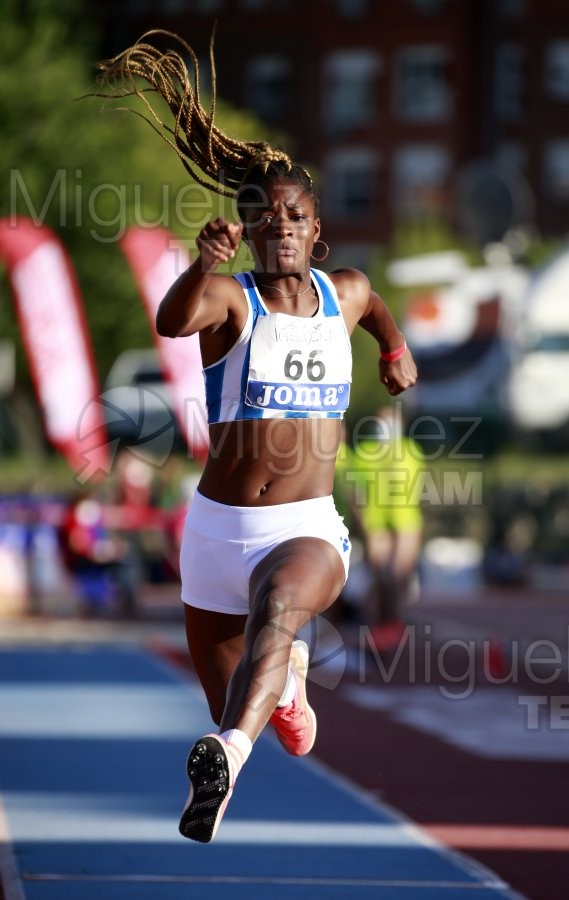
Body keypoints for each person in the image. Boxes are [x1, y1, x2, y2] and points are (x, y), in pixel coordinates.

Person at [97, 30, 417, 844]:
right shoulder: (230, 301)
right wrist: (199, 266)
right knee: (240, 682)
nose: (277, 225)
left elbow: (376, 305)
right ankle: (282, 688)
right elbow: (173, 321)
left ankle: (225, 759)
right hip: (213, 528)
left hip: (305, 526)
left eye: (294, 216)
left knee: (276, 616)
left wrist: (393, 346)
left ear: (316, 232)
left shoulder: (343, 294)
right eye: (262, 216)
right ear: (243, 227)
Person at [351, 405, 425, 651]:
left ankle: (391, 624)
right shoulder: (364, 453)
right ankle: (381, 624)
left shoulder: (410, 450)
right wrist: (363, 524)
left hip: (405, 521)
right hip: (376, 524)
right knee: (382, 577)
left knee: (397, 575)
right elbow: (356, 492)